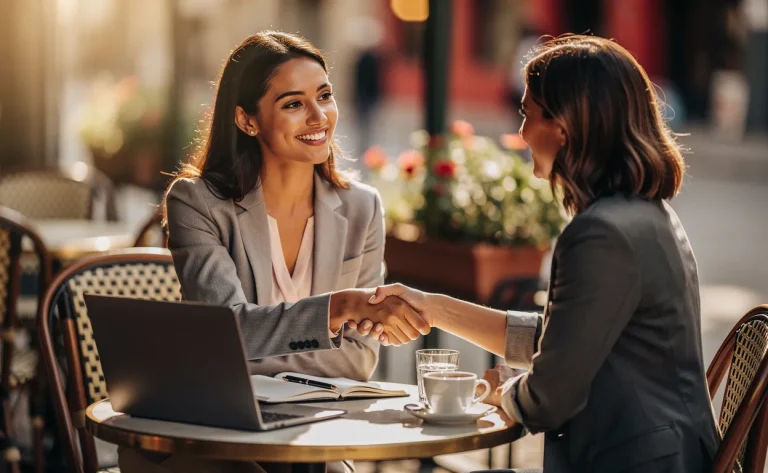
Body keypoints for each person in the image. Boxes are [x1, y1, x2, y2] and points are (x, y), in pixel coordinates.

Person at [362, 35, 721, 473]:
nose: (520, 132)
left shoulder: (599, 234)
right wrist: (433, 308)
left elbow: (549, 400)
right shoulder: (645, 214)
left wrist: (506, 391)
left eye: (527, 114)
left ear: (565, 127)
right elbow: (567, 340)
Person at [119, 31, 429, 473]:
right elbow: (225, 331)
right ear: (247, 121)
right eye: (293, 103)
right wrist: (335, 312)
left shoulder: (363, 208)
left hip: (313, 436)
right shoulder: (196, 202)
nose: (319, 116)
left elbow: (358, 359)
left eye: (324, 95)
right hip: (217, 441)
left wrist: (255, 347)